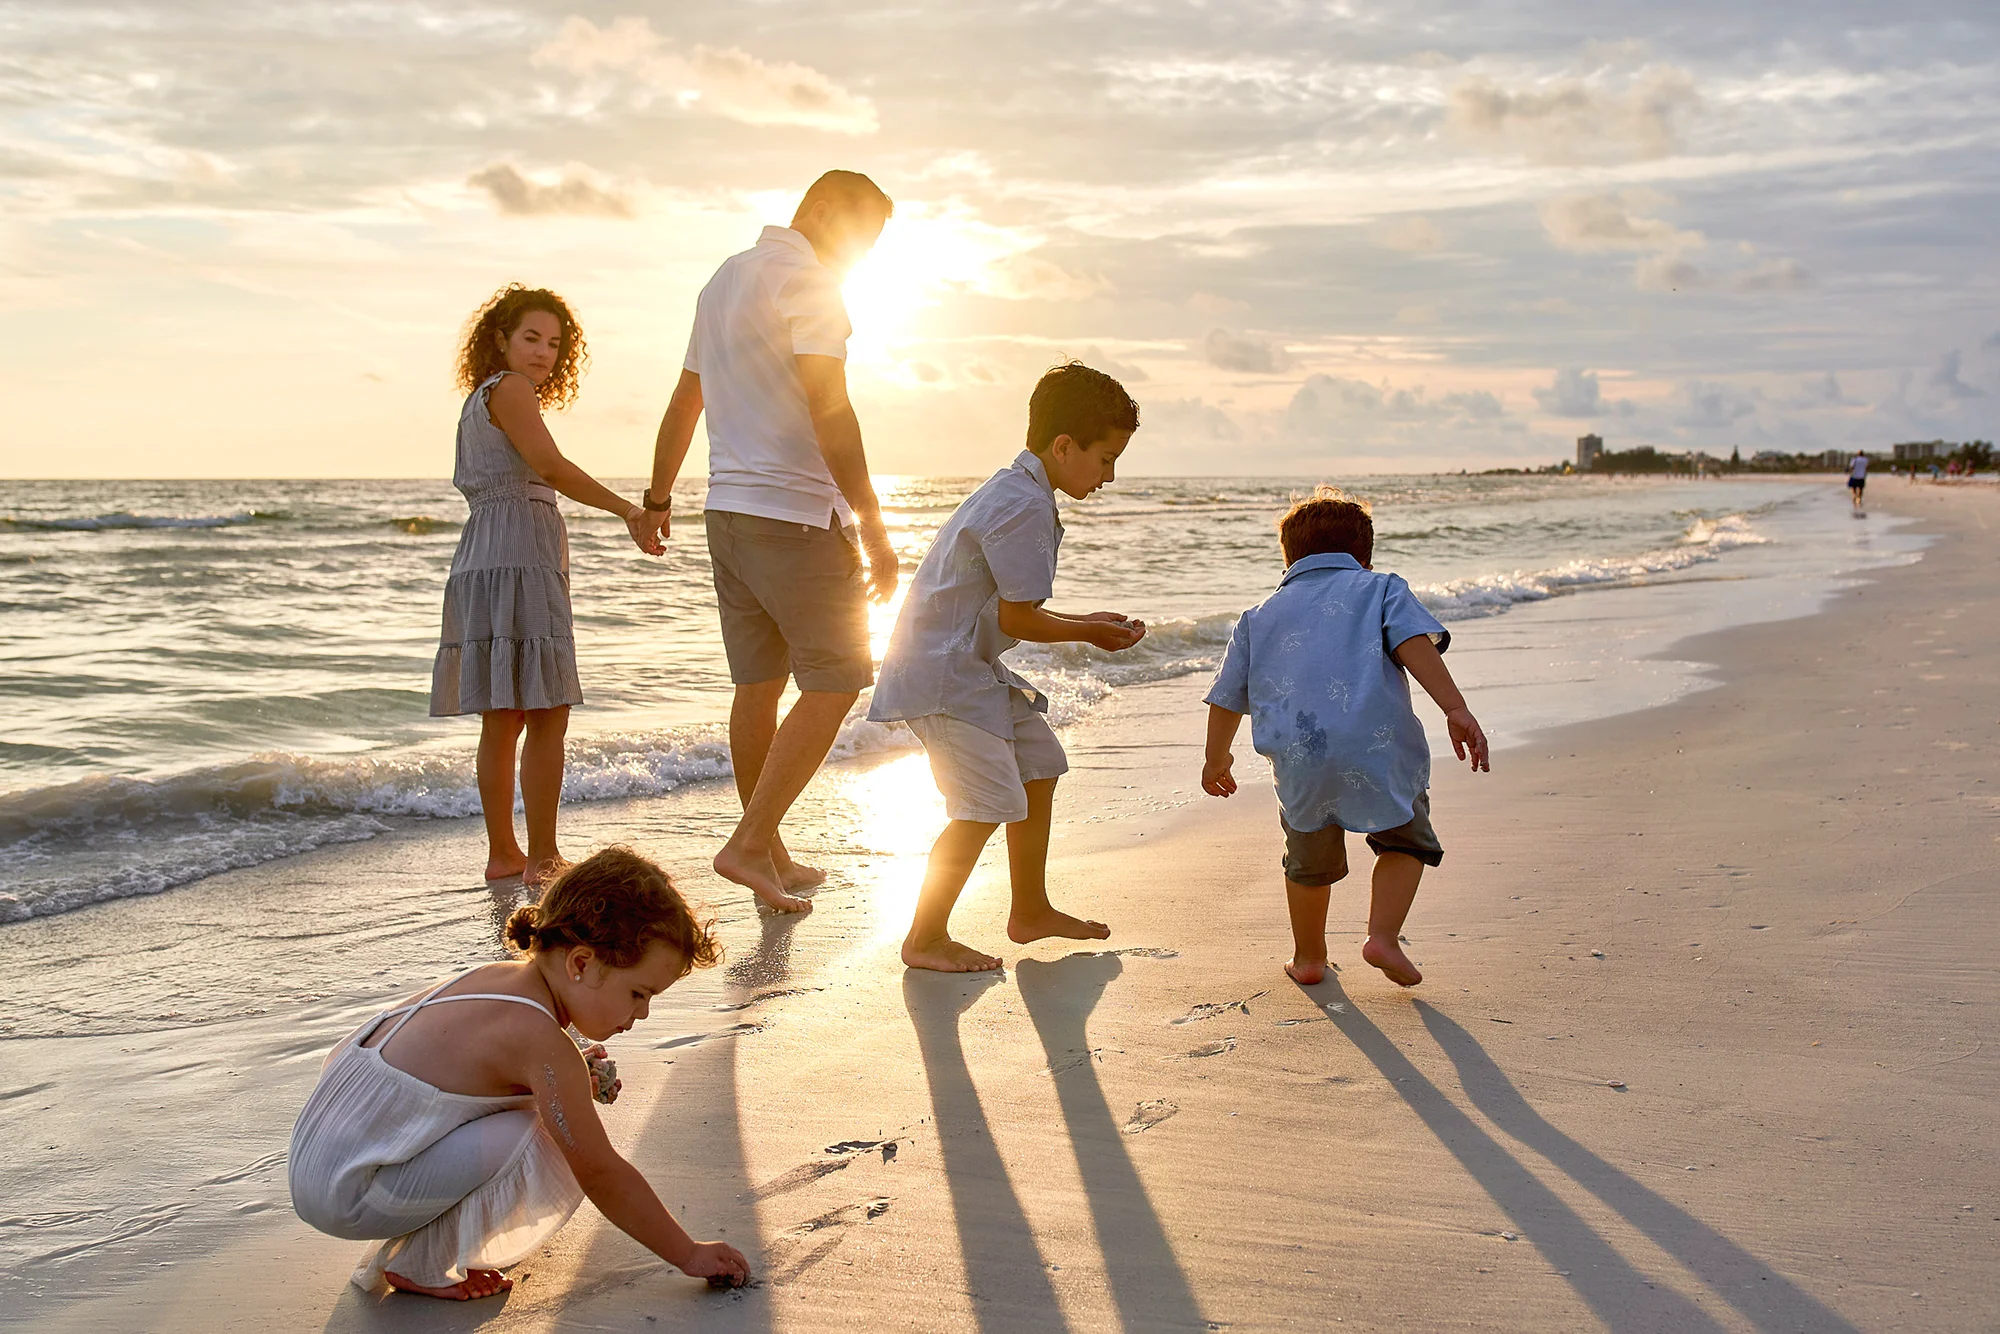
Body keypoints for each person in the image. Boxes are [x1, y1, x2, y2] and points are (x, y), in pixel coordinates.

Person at [288, 846, 748, 1299]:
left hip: (322, 1161)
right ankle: (422, 1262)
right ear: (582, 963)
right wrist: (687, 1253)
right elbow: (600, 1172)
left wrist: (563, 1078)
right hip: (349, 1195)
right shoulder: (543, 1043)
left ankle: (417, 1246)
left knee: (542, 1109)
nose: (643, 1013)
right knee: (543, 1135)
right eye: (638, 993)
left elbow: (453, 1083)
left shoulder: (497, 979)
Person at [640, 171, 899, 913]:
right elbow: (831, 407)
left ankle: (769, 851)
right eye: (860, 237)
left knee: (757, 687)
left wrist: (660, 498)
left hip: (727, 514)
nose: (860, 257)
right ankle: (750, 845)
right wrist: (874, 524)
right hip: (792, 515)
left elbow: (685, 399)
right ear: (820, 212)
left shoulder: (725, 279)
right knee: (837, 679)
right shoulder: (810, 284)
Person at [868, 363, 1146, 972]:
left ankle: (1030, 909)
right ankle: (924, 937)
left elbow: (1012, 608)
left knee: (1039, 764)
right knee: (985, 802)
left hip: (964, 666)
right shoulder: (1022, 503)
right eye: (1104, 458)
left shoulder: (1019, 491)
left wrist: (1083, 618)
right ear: (1063, 445)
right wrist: (1090, 633)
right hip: (944, 678)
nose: (1110, 474)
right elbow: (1020, 623)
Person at [1200, 487, 1490, 989]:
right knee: (1405, 839)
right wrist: (1455, 707)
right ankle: (1382, 938)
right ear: (1363, 555)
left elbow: (1228, 695)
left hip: (1301, 756)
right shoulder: (1381, 588)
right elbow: (1413, 644)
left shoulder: (1258, 616)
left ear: (1288, 556)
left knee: (1309, 861)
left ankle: (1309, 958)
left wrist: (1215, 757)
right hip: (1377, 747)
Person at [431, 285, 662, 885]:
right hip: (518, 554)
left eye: (554, 344)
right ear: (500, 340)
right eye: (530, 338)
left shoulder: (477, 400)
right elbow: (551, 465)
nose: (542, 353)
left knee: (502, 715)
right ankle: (542, 857)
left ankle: (505, 854)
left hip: (484, 552)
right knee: (546, 710)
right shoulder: (510, 390)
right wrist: (629, 512)